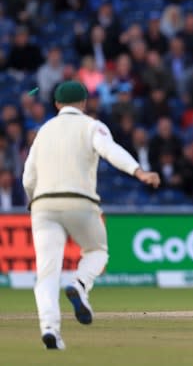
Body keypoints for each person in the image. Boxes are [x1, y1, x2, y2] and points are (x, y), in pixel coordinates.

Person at [22, 81, 161, 350]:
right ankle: (80, 284)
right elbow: (111, 151)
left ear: (56, 105)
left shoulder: (43, 131)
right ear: (84, 103)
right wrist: (138, 171)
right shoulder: (91, 125)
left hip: (43, 205)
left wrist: (32, 201)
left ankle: (50, 329)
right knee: (98, 251)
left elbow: (28, 175)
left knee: (46, 273)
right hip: (80, 202)